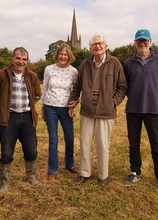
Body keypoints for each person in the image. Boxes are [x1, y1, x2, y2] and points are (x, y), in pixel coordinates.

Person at [68, 34, 127, 185]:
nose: (97, 46)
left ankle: (103, 176)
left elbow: (122, 87)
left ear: (105, 46)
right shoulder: (85, 65)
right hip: (87, 111)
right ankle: (84, 173)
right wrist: (73, 101)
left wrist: (112, 103)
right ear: (90, 48)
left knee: (103, 144)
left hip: (106, 112)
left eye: (100, 43)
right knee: (85, 143)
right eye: (94, 44)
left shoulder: (114, 63)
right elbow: (77, 87)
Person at [0, 47, 42, 193]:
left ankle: (31, 176)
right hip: (8, 119)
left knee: (31, 151)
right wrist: (2, 105)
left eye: (24, 59)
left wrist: (25, 107)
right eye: (18, 58)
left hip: (27, 118)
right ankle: (5, 182)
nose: (21, 62)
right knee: (6, 152)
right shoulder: (1, 74)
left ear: (27, 61)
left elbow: (36, 96)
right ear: (12, 59)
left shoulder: (32, 76)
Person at [123, 29, 158, 190]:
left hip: (154, 110)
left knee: (156, 143)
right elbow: (125, 86)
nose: (142, 43)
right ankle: (135, 172)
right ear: (135, 42)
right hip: (133, 110)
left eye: (145, 40)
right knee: (133, 143)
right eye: (139, 41)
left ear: (150, 41)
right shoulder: (129, 63)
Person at [42, 43, 79, 181]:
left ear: (69, 56)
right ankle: (52, 169)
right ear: (57, 55)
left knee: (69, 137)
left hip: (65, 109)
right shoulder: (48, 69)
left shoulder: (74, 71)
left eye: (66, 54)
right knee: (53, 139)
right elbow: (44, 88)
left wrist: (74, 104)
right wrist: (42, 107)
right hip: (50, 107)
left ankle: (69, 164)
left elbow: (77, 90)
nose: (63, 57)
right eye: (61, 54)